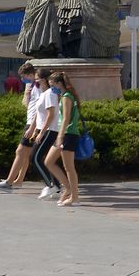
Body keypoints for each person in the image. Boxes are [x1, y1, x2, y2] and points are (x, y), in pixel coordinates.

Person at [0, 63, 41, 191]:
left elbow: (40, 108)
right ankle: (18, 180)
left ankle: (9, 181)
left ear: (31, 74)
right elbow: (29, 104)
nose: (22, 80)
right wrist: (26, 94)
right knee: (24, 154)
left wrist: (32, 127)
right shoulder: (32, 86)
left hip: (33, 123)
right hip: (31, 122)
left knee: (20, 152)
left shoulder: (38, 86)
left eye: (24, 76)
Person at [44, 71, 83, 207]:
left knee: (69, 167)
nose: (51, 88)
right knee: (49, 161)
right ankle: (68, 189)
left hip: (68, 134)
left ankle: (75, 197)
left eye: (52, 85)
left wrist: (60, 136)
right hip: (65, 134)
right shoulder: (65, 96)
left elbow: (66, 118)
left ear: (59, 83)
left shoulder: (67, 96)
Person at [28, 70, 63, 200]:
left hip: (50, 130)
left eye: (36, 78)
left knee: (35, 158)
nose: (34, 81)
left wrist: (41, 133)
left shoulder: (50, 94)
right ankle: (57, 186)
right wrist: (34, 129)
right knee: (46, 160)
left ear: (43, 80)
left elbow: (51, 115)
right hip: (43, 129)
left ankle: (50, 184)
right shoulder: (43, 94)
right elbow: (39, 113)